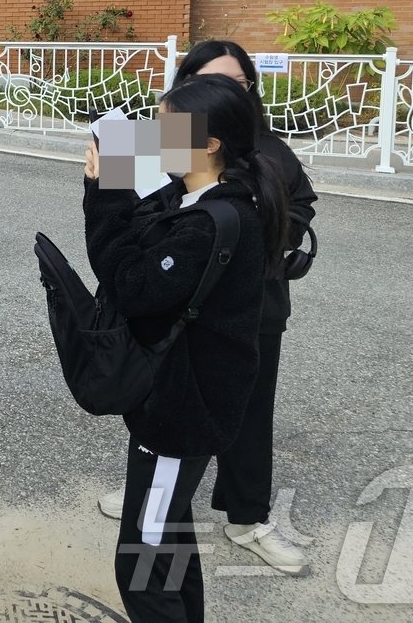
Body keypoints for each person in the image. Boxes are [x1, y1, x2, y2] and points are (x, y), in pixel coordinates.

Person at [97, 40, 317, 577]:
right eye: (208, 79)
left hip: (251, 306)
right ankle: (151, 495)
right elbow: (138, 204)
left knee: (243, 411)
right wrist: (112, 176)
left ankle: (248, 518)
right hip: (179, 305)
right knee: (172, 415)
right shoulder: (173, 139)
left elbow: (300, 209)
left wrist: (249, 240)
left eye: (237, 83)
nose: (226, 89)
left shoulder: (265, 152)